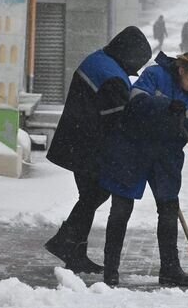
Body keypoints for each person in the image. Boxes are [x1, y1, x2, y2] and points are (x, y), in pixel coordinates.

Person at [98, 51, 188, 287]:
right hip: (133, 149)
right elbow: (136, 102)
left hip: (166, 157)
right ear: (181, 70)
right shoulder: (155, 75)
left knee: (168, 209)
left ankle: (170, 270)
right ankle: (110, 270)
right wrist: (165, 106)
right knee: (121, 209)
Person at [44, 26, 152, 274]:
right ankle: (67, 244)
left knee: (91, 195)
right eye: (136, 63)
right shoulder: (111, 76)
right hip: (85, 146)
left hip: (76, 141)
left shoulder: (100, 60)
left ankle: (71, 248)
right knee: (95, 194)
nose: (135, 71)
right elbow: (119, 120)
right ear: (128, 54)